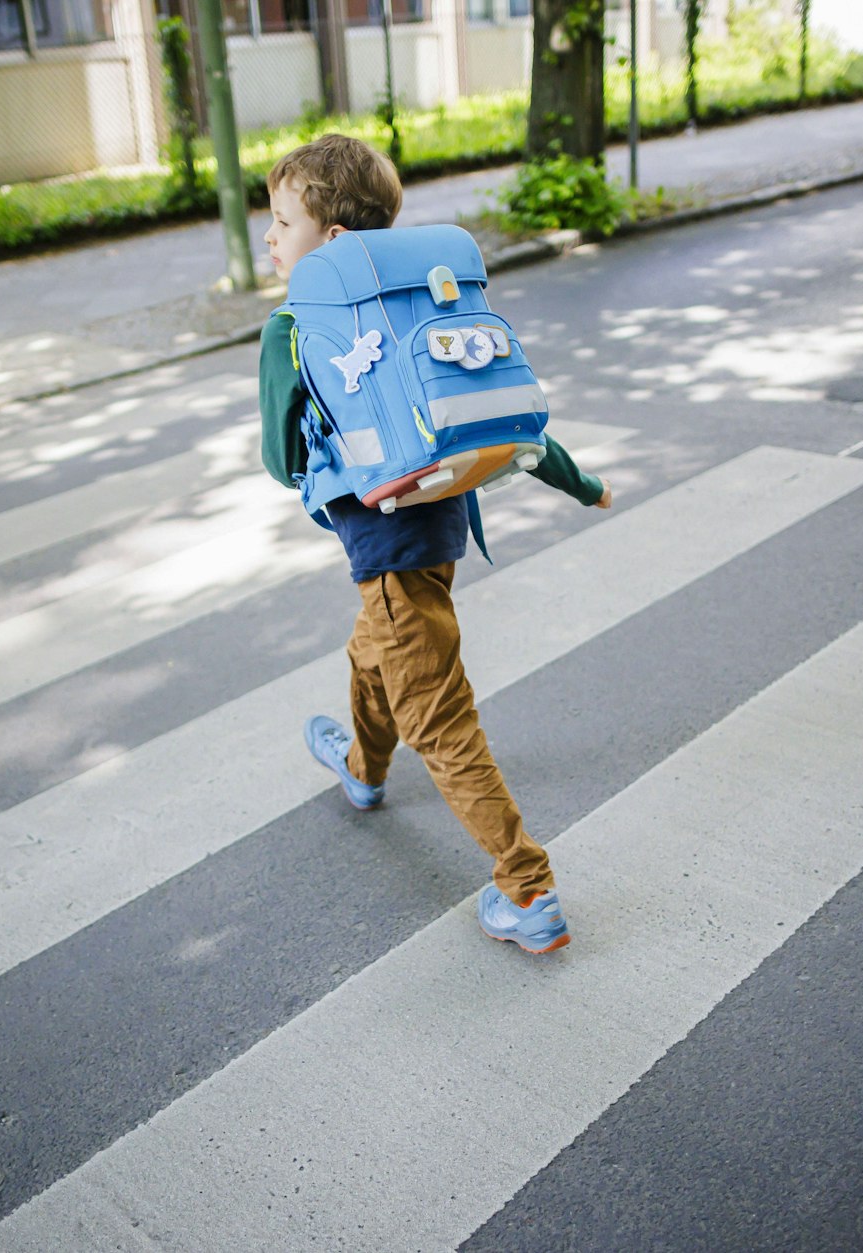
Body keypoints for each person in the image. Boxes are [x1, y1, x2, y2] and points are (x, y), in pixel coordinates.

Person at [258, 133, 612, 955]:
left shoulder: (293, 329)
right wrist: (581, 481)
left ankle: (527, 888)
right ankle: (362, 766)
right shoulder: (427, 297)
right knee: (370, 654)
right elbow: (500, 410)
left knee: (441, 717)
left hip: (385, 548)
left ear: (334, 242)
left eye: (280, 223)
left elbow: (281, 463)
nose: (271, 240)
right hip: (440, 524)